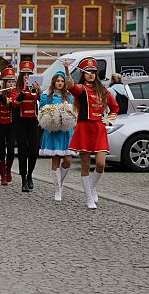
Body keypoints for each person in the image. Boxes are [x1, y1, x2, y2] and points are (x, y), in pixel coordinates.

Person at [64, 57, 119, 209]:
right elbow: (70, 86)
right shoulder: (81, 89)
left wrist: (108, 120)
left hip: (99, 129)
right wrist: (67, 69)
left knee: (100, 164)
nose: (91, 74)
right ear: (83, 73)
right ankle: (88, 197)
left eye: (93, 72)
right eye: (88, 72)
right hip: (84, 129)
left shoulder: (103, 91)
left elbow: (115, 107)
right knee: (86, 165)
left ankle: (92, 187)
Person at [38, 71, 75, 201]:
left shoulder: (69, 96)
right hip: (53, 132)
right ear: (54, 82)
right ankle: (58, 189)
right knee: (56, 159)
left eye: (62, 81)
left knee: (68, 159)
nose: (60, 83)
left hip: (66, 132)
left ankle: (60, 183)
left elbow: (74, 111)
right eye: (58, 81)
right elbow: (42, 112)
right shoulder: (47, 96)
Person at [12, 60, 41, 192]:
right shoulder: (16, 89)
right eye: (24, 74)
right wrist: (23, 90)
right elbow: (14, 104)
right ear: (21, 76)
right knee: (23, 151)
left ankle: (30, 175)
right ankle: (23, 178)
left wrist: (40, 92)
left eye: (29, 74)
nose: (27, 76)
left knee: (34, 151)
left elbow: (42, 101)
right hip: (20, 123)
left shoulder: (35, 88)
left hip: (33, 122)